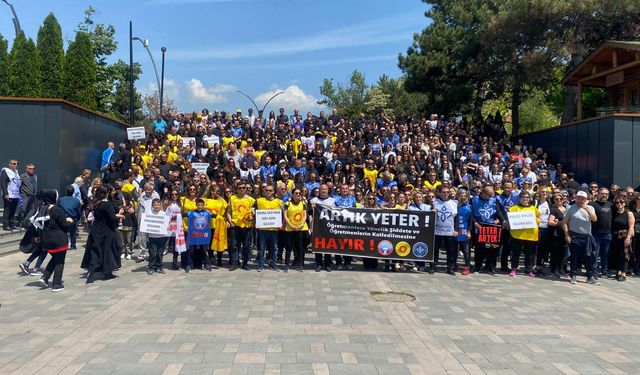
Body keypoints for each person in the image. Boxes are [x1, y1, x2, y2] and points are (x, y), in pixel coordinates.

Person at [82, 185, 123, 284]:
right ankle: (107, 272)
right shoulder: (106, 204)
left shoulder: (96, 203)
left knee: (96, 251)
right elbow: (112, 218)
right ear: (106, 194)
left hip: (95, 229)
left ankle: (92, 272)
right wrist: (120, 215)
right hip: (105, 230)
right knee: (107, 251)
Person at [36, 189, 73, 292]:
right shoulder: (57, 209)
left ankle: (45, 277)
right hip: (58, 239)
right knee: (60, 261)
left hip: (47, 239)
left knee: (55, 258)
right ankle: (56, 284)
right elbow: (64, 226)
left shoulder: (43, 209)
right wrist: (69, 222)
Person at [562, 190, 598, 285]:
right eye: (579, 197)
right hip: (574, 235)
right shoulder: (570, 208)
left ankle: (590, 276)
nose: (580, 199)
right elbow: (565, 223)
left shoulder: (590, 207)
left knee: (588, 256)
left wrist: (586, 208)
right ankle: (573, 275)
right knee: (574, 256)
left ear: (586, 199)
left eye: (583, 198)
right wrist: (567, 234)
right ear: (576, 198)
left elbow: (594, 219)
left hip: (587, 236)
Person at [507, 191, 540, 277]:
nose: (525, 199)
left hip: (530, 235)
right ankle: (514, 269)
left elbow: (539, 219)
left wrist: (534, 220)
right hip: (517, 235)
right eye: (523, 197)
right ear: (520, 198)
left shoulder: (533, 208)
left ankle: (528, 270)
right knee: (516, 253)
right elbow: (510, 220)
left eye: (527, 197)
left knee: (529, 254)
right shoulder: (514, 208)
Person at [226, 180, 255, 271]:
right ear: (236, 189)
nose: (242, 190)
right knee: (234, 245)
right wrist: (231, 223)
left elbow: (254, 213)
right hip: (235, 225)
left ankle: (245, 263)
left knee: (246, 246)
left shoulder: (250, 199)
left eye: (244, 188)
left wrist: (253, 220)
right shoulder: (232, 198)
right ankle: (234, 263)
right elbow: (228, 212)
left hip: (247, 226)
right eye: (240, 188)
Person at [471, 185, 500, 274]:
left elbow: (498, 211)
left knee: (492, 248)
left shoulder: (494, 199)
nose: (490, 197)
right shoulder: (474, 199)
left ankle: (490, 266)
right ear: (483, 193)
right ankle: (477, 267)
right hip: (479, 226)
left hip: (491, 227)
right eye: (489, 195)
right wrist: (474, 222)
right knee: (479, 248)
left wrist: (498, 219)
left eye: (491, 195)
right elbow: (471, 212)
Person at [431, 185, 458, 274]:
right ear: (439, 193)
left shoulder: (454, 203)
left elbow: (456, 218)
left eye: (447, 192)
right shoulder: (435, 202)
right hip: (437, 230)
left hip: (450, 230)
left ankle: (450, 267)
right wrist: (432, 212)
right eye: (444, 192)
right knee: (435, 250)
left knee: (451, 251)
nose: (446, 194)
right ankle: (433, 266)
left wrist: (456, 230)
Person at [255, 184, 282, 272]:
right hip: (262, 229)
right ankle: (261, 265)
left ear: (274, 191)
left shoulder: (278, 202)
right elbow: (252, 208)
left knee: (274, 247)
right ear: (263, 191)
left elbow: (285, 211)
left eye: (270, 190)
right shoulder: (259, 201)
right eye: (266, 190)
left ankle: (273, 264)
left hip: (274, 229)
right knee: (262, 247)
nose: (268, 192)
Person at [310, 184, 335, 272]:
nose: (324, 191)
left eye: (325, 189)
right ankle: (319, 264)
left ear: (328, 190)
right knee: (318, 246)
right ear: (319, 190)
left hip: (328, 227)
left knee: (328, 246)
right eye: (322, 189)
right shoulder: (313, 200)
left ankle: (327, 264)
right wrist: (311, 208)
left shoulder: (332, 201)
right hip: (317, 227)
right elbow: (309, 213)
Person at [590, 188, 613, 278]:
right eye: (603, 194)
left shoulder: (610, 204)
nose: (604, 195)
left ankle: (604, 271)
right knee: (595, 253)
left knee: (605, 253)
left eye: (606, 194)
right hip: (596, 233)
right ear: (598, 194)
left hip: (607, 233)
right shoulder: (592, 204)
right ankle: (594, 271)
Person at [610, 198, 635, 281]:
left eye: (621, 202)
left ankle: (623, 273)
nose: (619, 204)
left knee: (625, 254)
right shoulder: (614, 213)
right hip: (615, 236)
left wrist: (628, 238)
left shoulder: (629, 213)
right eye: (617, 202)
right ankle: (618, 272)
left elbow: (631, 227)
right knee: (616, 254)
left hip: (624, 235)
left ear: (625, 203)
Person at [283, 188, 308, 272]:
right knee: (289, 247)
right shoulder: (288, 203)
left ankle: (300, 264)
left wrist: (301, 225)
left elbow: (305, 215)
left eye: (299, 193)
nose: (298, 194)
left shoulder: (303, 203)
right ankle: (286, 264)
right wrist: (291, 225)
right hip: (290, 228)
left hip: (300, 228)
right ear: (292, 194)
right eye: (296, 193)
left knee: (300, 247)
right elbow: (285, 215)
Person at [144, 198, 169, 274]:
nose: (156, 206)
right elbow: (145, 224)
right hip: (152, 237)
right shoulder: (148, 213)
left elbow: (166, 224)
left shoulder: (163, 214)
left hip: (161, 237)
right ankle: (151, 267)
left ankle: (159, 266)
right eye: (155, 205)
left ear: (160, 205)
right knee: (152, 253)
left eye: (158, 205)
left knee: (160, 253)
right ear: (152, 205)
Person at [548, 193, 568, 277]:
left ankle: (561, 269)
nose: (559, 200)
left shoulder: (566, 209)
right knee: (555, 253)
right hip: (557, 234)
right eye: (556, 199)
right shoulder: (554, 210)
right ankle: (554, 270)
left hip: (565, 233)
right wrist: (560, 223)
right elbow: (550, 222)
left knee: (564, 253)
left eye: (561, 199)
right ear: (554, 200)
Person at [455, 189, 473, 275]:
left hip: (465, 230)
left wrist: (469, 231)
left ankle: (467, 266)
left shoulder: (469, 207)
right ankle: (453, 265)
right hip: (455, 230)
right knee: (454, 249)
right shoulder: (454, 206)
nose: (463, 198)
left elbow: (471, 220)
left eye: (464, 196)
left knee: (466, 251)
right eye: (461, 196)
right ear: (457, 196)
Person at [1, 159, 21, 231]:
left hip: (15, 195)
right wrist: (5, 193)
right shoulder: (5, 171)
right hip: (9, 194)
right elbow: (3, 183)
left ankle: (12, 224)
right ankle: (6, 226)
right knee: (7, 210)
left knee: (13, 210)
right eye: (14, 163)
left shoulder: (16, 172)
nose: (16, 165)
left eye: (17, 164)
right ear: (9, 164)